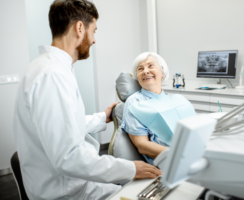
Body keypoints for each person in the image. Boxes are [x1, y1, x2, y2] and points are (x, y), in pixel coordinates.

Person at [13, 1, 161, 199]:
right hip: (67, 192)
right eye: (94, 31)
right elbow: (69, 157)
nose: (94, 40)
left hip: (75, 184)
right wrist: (131, 169)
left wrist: (102, 117)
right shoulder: (52, 75)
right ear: (80, 28)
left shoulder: (46, 68)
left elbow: (62, 126)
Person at [121, 52, 196, 165]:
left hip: (193, 152)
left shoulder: (178, 99)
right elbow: (142, 146)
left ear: (162, 73)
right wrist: (180, 155)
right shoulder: (135, 102)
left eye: (151, 66)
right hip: (171, 161)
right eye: (140, 69)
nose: (146, 71)